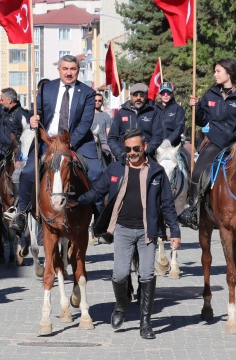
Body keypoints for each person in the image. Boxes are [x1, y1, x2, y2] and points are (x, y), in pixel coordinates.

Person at [70, 128, 180, 338]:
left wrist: (175, 231)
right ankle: (121, 305)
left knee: (146, 275)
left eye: (136, 148)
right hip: (122, 230)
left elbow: (167, 204)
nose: (132, 152)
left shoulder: (156, 172)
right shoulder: (115, 169)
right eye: (128, 149)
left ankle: (145, 323)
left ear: (145, 147)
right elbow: (97, 191)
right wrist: (78, 201)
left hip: (148, 232)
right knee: (120, 274)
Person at [10, 55, 102, 233]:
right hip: (48, 140)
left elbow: (86, 122)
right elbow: (39, 112)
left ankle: (99, 217)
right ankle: (21, 212)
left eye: (73, 69)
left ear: (78, 70)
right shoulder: (46, 88)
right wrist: (34, 120)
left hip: (78, 140)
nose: (69, 73)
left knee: (97, 173)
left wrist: (69, 143)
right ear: (59, 69)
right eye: (65, 69)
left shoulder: (88, 93)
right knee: (28, 172)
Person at [178, 58, 236, 229]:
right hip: (215, 142)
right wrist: (196, 107)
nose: (215, 75)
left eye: (218, 71)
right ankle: (193, 210)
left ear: (229, 73)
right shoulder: (210, 94)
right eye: (215, 71)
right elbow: (202, 120)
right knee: (197, 172)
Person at [0, 88, 26, 189]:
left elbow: (27, 135)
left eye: (2, 100)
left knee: (15, 178)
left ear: (9, 100)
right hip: (2, 151)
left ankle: (17, 201)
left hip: (15, 153)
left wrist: (19, 156)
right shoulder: (5, 111)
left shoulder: (21, 114)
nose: (0, 102)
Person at [107, 83, 162, 161]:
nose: (138, 98)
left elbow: (158, 136)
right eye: (135, 95)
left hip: (147, 158)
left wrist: (146, 151)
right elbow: (112, 138)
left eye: (142, 95)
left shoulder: (153, 111)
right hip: (125, 158)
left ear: (146, 95)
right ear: (131, 96)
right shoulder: (122, 112)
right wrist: (120, 154)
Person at [154, 81, 189, 162]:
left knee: (189, 161)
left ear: (172, 94)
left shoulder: (178, 109)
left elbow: (180, 127)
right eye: (163, 93)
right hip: (156, 147)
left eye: (168, 92)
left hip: (174, 146)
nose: (166, 95)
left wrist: (169, 141)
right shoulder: (154, 109)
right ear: (160, 94)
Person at [92, 92, 112, 160]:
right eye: (95, 100)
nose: (97, 102)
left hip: (103, 144)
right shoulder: (88, 115)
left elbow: (108, 132)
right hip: (91, 143)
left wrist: (110, 145)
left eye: (99, 100)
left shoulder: (106, 116)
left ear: (102, 102)